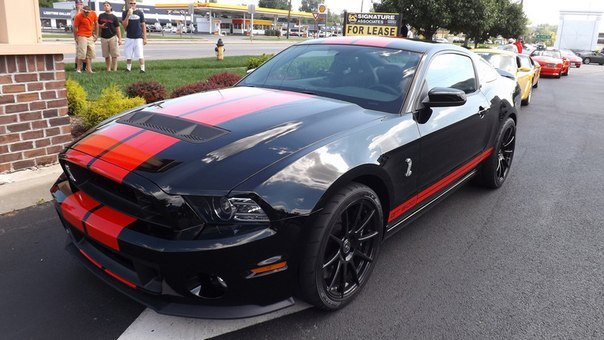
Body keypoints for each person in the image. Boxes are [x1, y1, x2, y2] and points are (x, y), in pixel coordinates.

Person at [122, 0, 147, 73]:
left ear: (136, 4)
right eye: (131, 3)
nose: (132, 4)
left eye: (134, 3)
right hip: (129, 36)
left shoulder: (140, 13)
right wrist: (128, 15)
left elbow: (143, 25)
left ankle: (142, 69)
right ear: (128, 4)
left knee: (140, 54)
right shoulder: (124, 13)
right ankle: (128, 68)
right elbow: (124, 25)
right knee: (128, 54)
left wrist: (144, 37)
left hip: (138, 37)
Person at [97, 1, 122, 71]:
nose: (106, 6)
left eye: (107, 5)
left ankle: (114, 69)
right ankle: (108, 69)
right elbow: (96, 25)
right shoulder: (101, 16)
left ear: (110, 7)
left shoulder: (114, 17)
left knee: (114, 55)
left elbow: (118, 28)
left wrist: (120, 39)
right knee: (106, 55)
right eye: (104, 5)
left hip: (112, 37)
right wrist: (100, 26)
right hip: (104, 37)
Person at [73, 5, 97, 73]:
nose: (86, 13)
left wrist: (96, 35)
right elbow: (75, 28)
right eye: (85, 12)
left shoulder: (93, 13)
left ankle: (89, 69)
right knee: (82, 53)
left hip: (90, 35)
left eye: (88, 12)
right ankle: (78, 69)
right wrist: (76, 38)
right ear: (82, 11)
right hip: (81, 35)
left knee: (91, 52)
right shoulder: (78, 16)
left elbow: (96, 23)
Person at [69, 0, 85, 70]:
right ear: (75, 4)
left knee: (85, 50)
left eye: (81, 4)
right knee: (78, 50)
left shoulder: (84, 11)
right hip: (77, 33)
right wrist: (78, 10)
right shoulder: (73, 12)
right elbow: (76, 18)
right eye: (78, 4)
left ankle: (84, 67)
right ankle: (77, 67)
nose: (80, 5)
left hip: (84, 32)